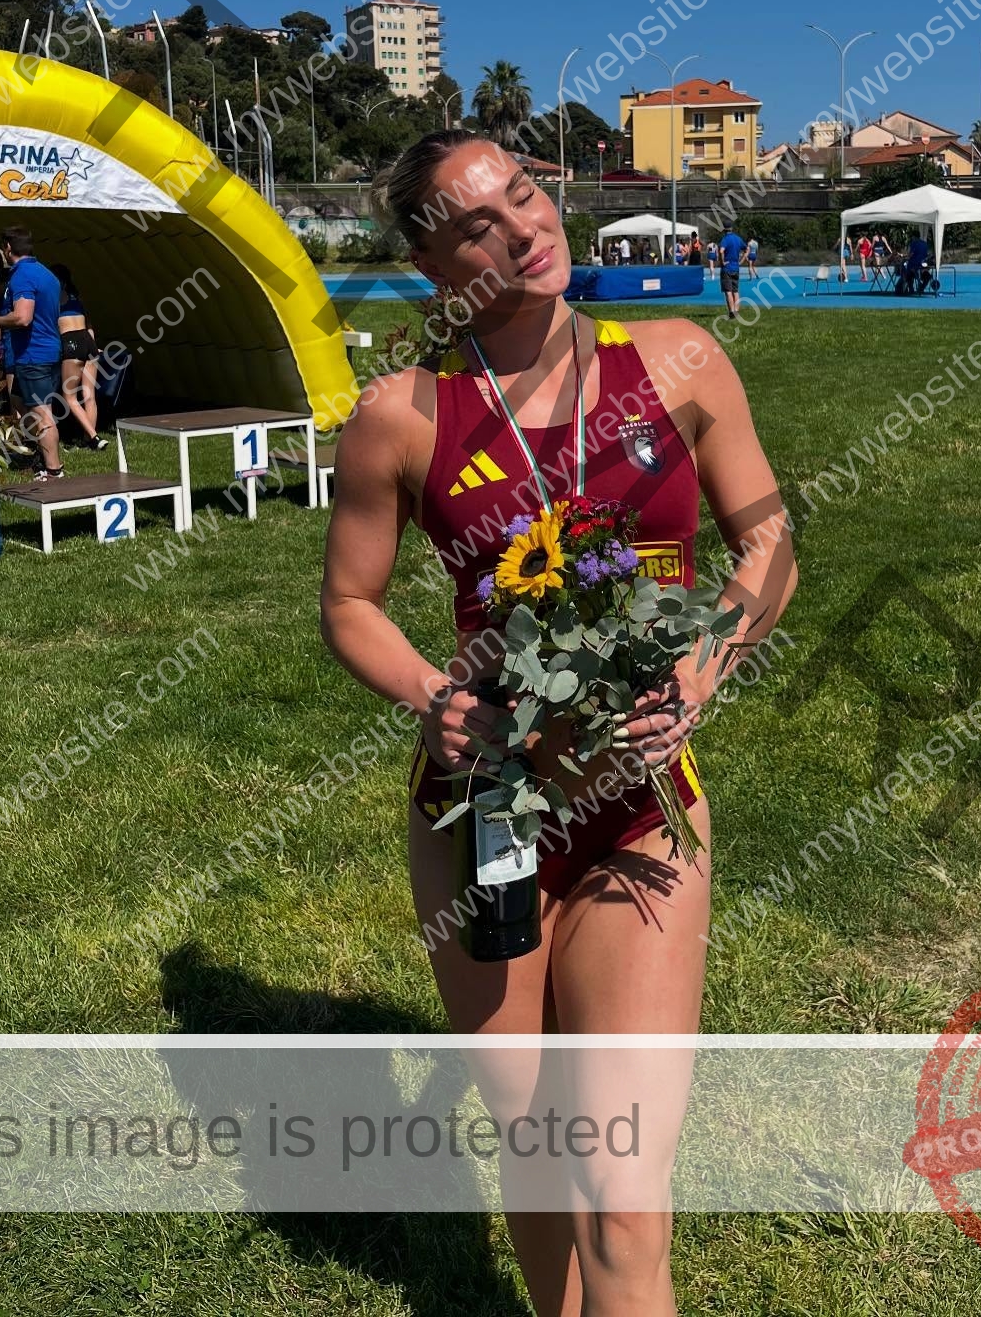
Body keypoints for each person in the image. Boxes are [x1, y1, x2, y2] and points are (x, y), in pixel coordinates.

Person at [320, 131, 796, 1317]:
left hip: (638, 809)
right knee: (534, 1139)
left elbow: (770, 541)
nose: (522, 229)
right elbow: (349, 605)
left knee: (624, 1189)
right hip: (483, 816)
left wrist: (705, 664)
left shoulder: (682, 361)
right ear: (433, 263)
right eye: (477, 223)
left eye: (525, 195)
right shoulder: (402, 416)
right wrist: (435, 697)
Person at [0, 228, 65, 481]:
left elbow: (23, 317)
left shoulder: (22, 276)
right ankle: (36, 457)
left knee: (42, 413)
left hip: (34, 356)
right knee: (23, 407)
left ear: (8, 248)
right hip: (44, 352)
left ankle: (55, 471)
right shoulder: (47, 274)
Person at [52, 265, 108, 450]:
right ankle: (88, 440)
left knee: (69, 397)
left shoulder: (53, 299)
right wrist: (94, 346)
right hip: (87, 341)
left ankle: (93, 437)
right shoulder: (77, 298)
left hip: (71, 343)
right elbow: (89, 323)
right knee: (89, 395)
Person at [718, 226, 744, 318]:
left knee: (728, 291)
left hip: (727, 268)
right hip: (736, 268)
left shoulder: (725, 239)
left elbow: (721, 251)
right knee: (736, 291)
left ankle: (731, 312)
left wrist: (722, 262)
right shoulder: (738, 238)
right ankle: (736, 311)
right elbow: (746, 249)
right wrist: (741, 260)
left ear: (724, 230)